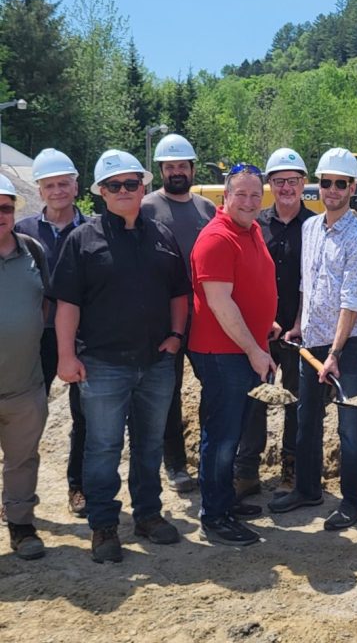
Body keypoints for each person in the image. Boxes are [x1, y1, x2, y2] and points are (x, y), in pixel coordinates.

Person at [52, 150, 191, 563]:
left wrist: (176, 336)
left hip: (156, 362)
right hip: (103, 364)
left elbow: (179, 294)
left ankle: (148, 514)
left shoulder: (161, 235)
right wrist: (65, 356)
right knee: (103, 447)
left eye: (131, 183)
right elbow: (67, 306)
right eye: (115, 186)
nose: (124, 191)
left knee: (150, 445)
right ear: (101, 193)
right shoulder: (83, 240)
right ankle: (103, 525)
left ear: (143, 187)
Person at [268, 148, 357, 533]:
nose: (332, 190)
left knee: (350, 426)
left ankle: (353, 502)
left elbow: (352, 300)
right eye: (326, 182)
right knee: (306, 420)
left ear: (353, 187)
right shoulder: (310, 228)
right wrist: (298, 324)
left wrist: (334, 353)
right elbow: (306, 286)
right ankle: (308, 489)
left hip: (345, 348)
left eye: (340, 183)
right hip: (309, 341)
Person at [188, 162, 277, 546]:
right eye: (241, 194)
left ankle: (225, 500)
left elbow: (247, 288)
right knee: (222, 437)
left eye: (256, 195)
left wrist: (265, 327)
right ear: (225, 196)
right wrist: (255, 350)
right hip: (223, 354)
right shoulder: (216, 239)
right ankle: (215, 515)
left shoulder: (251, 230)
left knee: (233, 431)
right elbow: (220, 304)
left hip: (242, 349)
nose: (249, 201)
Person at [234, 148, 315, 500]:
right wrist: (264, 321)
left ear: (303, 184)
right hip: (260, 331)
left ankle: (292, 469)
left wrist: (297, 323)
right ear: (270, 184)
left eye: (293, 181)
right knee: (255, 400)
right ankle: (247, 470)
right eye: (279, 181)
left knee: (297, 401)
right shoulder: (254, 226)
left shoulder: (314, 227)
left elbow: (315, 282)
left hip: (298, 332)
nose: (286, 188)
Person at [14, 148, 90, 517]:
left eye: (64, 183)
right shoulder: (22, 233)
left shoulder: (93, 230)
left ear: (76, 186)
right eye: (50, 185)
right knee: (25, 417)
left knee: (86, 416)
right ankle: (17, 493)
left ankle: (78, 486)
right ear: (39, 190)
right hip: (35, 337)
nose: (58, 190)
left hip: (84, 336)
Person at [141, 132, 217, 494]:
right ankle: (174, 464)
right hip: (163, 318)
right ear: (160, 170)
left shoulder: (207, 209)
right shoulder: (145, 208)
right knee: (166, 392)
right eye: (169, 166)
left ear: (191, 168)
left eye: (181, 166)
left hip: (204, 316)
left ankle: (210, 456)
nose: (176, 171)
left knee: (213, 389)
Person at [0, 174, 48, 560]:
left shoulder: (33, 250)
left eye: (5, 206)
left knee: (22, 459)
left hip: (23, 383)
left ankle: (21, 525)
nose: (0, 214)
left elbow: (47, 304)